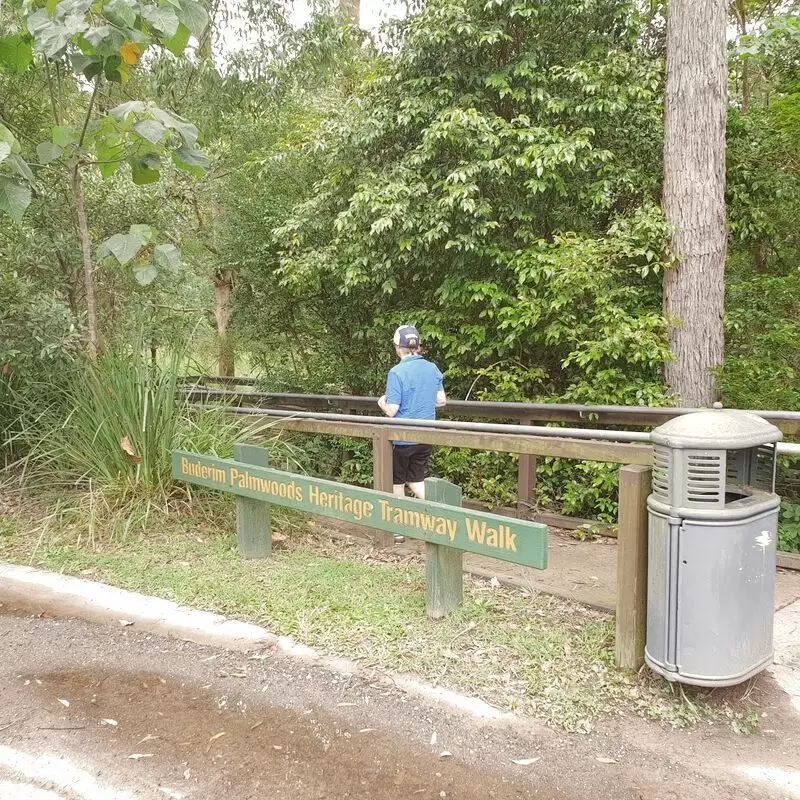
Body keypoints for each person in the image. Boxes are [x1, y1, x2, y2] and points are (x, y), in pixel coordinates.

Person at [378, 325, 446, 501]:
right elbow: (441, 401)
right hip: (426, 435)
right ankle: (443, 512)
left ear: (398, 348)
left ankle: (399, 523)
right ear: (418, 346)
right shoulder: (432, 368)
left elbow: (392, 410)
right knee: (415, 481)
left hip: (403, 439)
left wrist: (381, 403)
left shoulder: (396, 372)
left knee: (397, 483)